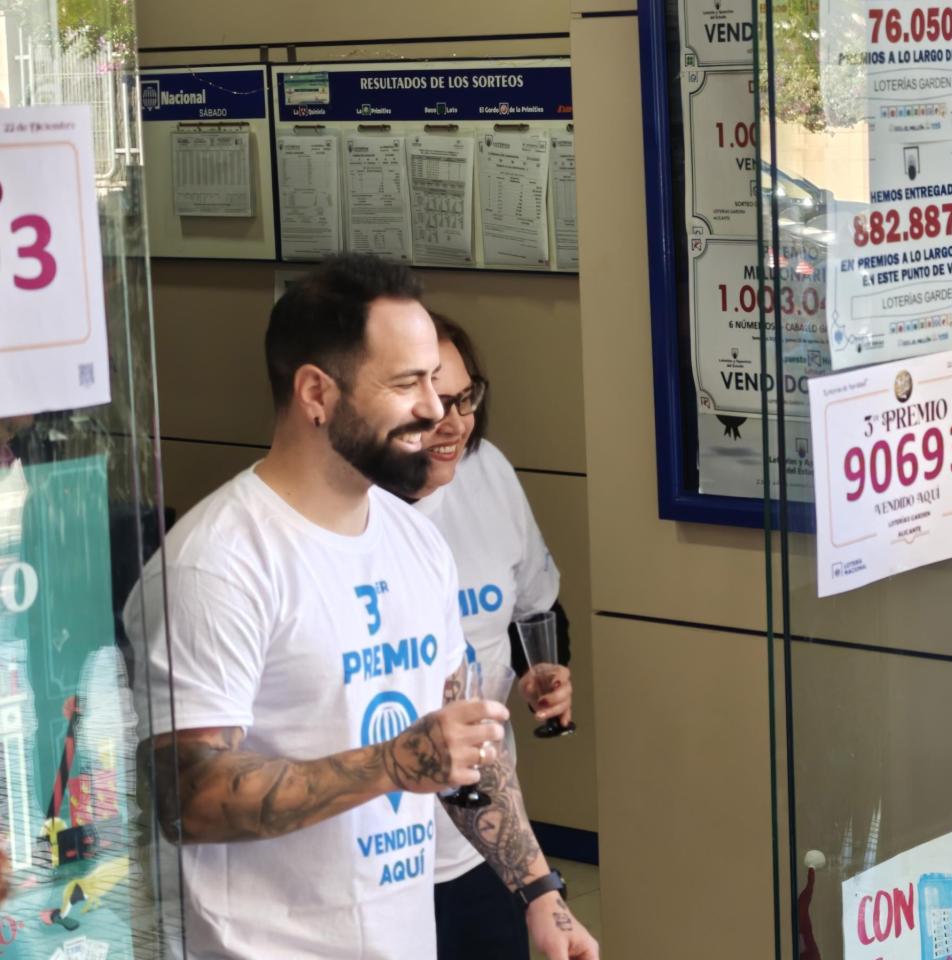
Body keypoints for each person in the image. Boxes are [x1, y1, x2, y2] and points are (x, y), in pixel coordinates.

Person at [125, 254, 598, 959]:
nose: (435, 410)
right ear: (317, 393)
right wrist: (392, 764)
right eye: (407, 384)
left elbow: (465, 745)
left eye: (436, 383)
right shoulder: (217, 562)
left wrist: (540, 893)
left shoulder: (415, 541)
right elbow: (185, 796)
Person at [387, 312, 573, 959]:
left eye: (465, 399)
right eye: (434, 401)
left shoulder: (486, 473)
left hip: (480, 839)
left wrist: (541, 890)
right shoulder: (348, 524)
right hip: (378, 860)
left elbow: (533, 607)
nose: (454, 421)